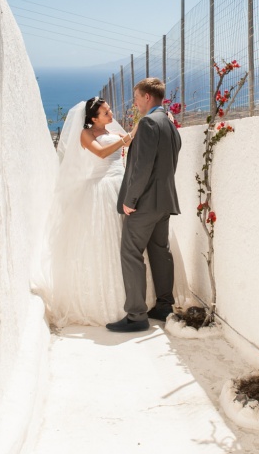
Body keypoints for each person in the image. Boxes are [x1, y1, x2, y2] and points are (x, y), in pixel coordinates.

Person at [42, 96, 186, 328]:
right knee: (108, 242)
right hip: (101, 188)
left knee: (131, 243)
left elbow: (139, 145)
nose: (111, 115)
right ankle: (115, 304)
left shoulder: (113, 132)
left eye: (109, 110)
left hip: (122, 186)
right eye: (106, 113)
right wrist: (129, 136)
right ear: (93, 118)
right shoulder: (86, 134)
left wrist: (162, 120)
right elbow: (101, 153)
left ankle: (146, 303)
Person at [106, 78, 183, 333]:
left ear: (148, 97)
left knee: (131, 253)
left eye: (137, 97)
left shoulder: (149, 122)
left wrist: (130, 200)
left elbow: (142, 167)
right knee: (161, 252)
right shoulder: (169, 123)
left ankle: (136, 316)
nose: (135, 102)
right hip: (164, 201)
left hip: (146, 203)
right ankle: (164, 306)